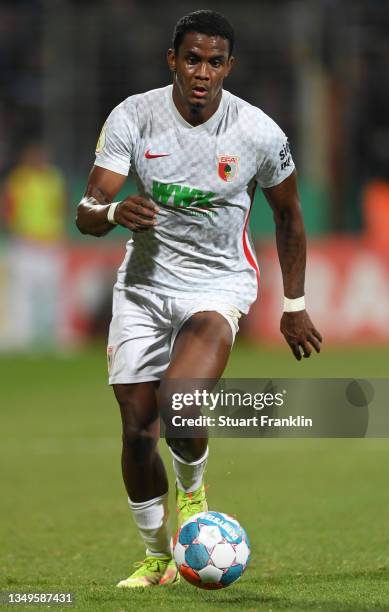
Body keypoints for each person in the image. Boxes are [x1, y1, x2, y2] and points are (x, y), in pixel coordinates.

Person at [76, 9, 322, 588]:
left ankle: (193, 494)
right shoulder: (134, 117)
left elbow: (288, 214)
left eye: (214, 62)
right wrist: (112, 213)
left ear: (228, 67)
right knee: (138, 431)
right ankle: (157, 558)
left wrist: (294, 304)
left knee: (181, 405)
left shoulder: (258, 132)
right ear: (173, 61)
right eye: (192, 59)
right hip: (143, 287)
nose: (202, 72)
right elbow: (87, 210)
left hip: (219, 285)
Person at [2, 142, 66, 348]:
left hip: (49, 242)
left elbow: (62, 206)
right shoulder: (18, 179)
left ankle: (56, 336)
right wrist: (15, 231)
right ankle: (22, 337)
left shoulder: (54, 178)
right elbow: (8, 208)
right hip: (26, 243)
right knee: (22, 293)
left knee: (53, 293)